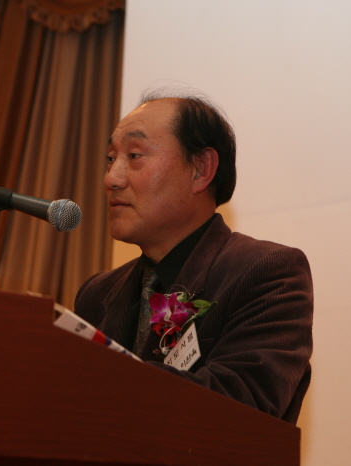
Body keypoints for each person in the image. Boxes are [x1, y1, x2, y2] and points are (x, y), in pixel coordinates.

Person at [74, 90, 313, 424]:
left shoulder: (267, 272)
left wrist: (98, 386)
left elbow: (241, 407)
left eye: (135, 155)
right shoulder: (96, 293)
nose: (111, 178)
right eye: (111, 158)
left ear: (201, 169)